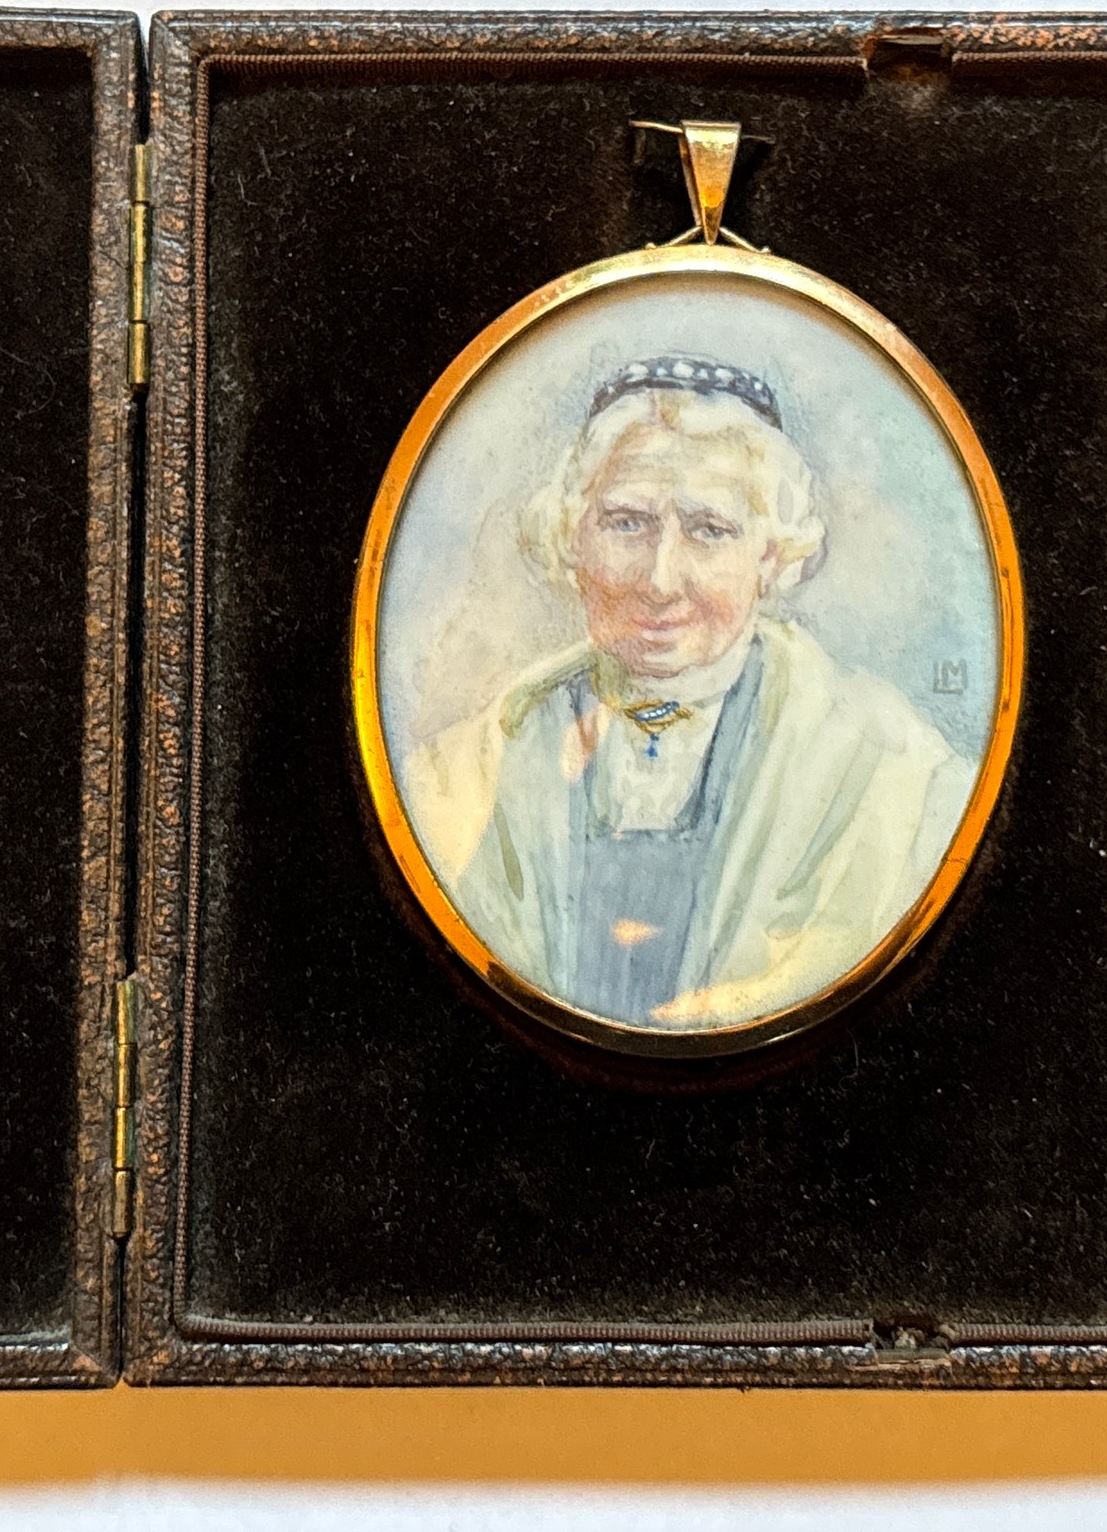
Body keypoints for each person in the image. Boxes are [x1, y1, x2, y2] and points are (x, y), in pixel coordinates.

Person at [404, 354, 973, 1030]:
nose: (661, 579)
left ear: (770, 556)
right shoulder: (465, 769)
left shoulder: (890, 772)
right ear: (572, 537)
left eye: (710, 530)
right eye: (626, 522)